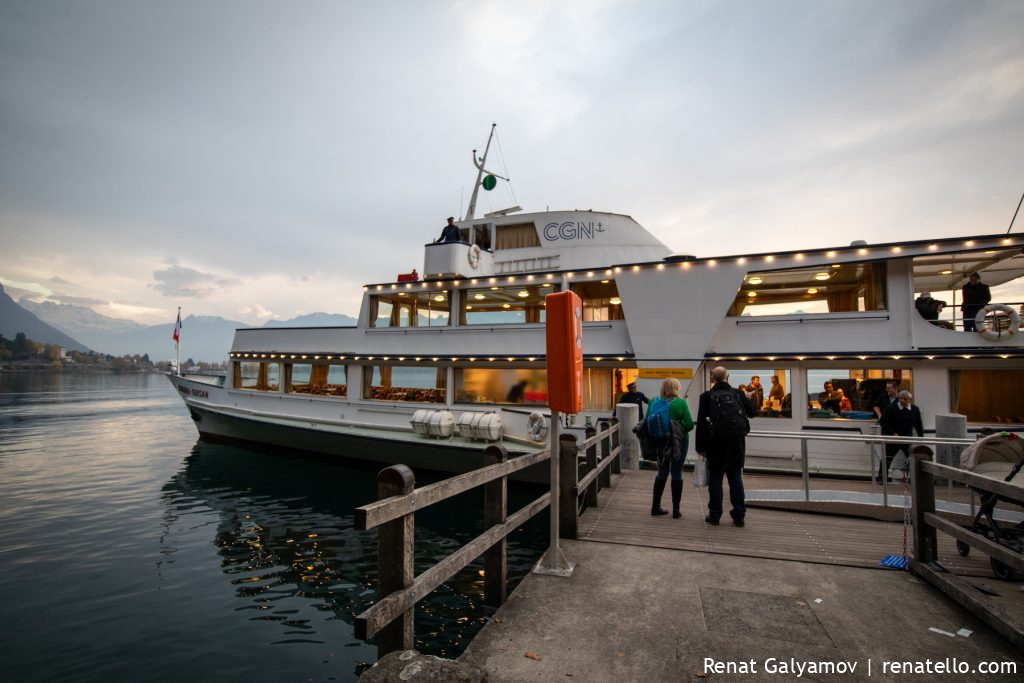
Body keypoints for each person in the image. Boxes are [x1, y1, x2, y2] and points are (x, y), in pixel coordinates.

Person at [695, 366, 755, 527]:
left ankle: (714, 515)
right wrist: (748, 398)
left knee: (715, 479)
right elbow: (752, 412)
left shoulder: (706, 397)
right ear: (727, 377)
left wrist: (700, 447)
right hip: (736, 444)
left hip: (714, 444)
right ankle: (739, 516)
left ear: (713, 379)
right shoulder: (738, 393)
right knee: (735, 478)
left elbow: (701, 423)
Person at [646, 378, 694, 519]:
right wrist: (678, 429)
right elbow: (690, 424)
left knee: (662, 471)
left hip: (660, 442)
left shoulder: (653, 401)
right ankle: (676, 511)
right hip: (679, 442)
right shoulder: (680, 403)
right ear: (676, 389)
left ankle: (655, 507)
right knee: (677, 472)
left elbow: (648, 419)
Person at [878, 390, 924, 481]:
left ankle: (914, 478)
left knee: (912, 458)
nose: (902, 400)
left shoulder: (915, 410)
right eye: (900, 398)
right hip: (894, 439)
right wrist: (892, 433)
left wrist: (921, 437)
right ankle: (882, 478)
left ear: (909, 400)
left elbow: (918, 425)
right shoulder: (891, 408)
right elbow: (883, 422)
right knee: (887, 458)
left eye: (905, 399)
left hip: (907, 438)